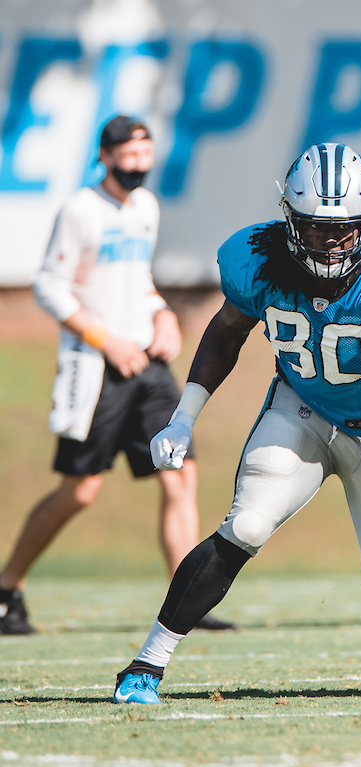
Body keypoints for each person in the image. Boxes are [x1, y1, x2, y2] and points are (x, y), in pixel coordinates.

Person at [111, 143, 361, 703]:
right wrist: (183, 418)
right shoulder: (256, 258)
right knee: (247, 525)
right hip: (302, 411)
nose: (330, 242)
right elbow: (226, 331)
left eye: (343, 228)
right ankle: (148, 662)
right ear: (289, 217)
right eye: (314, 227)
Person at [0, 116, 233, 636]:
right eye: (128, 155)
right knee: (80, 491)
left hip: (148, 364)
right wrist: (108, 340)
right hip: (97, 365)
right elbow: (49, 286)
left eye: (144, 154)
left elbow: (136, 280)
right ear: (104, 156)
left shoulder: (144, 208)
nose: (137, 165)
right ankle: (7, 588)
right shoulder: (81, 210)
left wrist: (162, 314)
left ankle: (186, 601)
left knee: (181, 473)